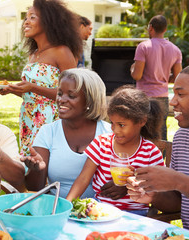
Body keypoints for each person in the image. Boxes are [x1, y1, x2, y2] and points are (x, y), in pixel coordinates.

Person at [0, 0, 82, 155]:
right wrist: (12, 90)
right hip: (28, 117)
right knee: (30, 163)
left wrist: (32, 87)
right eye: (26, 18)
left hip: (51, 119)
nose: (26, 22)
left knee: (45, 162)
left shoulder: (61, 52)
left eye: (32, 17)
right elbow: (33, 94)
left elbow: (73, 93)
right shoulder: (34, 54)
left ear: (48, 22)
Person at [66, 86, 164, 215]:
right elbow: (83, 178)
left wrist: (133, 182)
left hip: (136, 213)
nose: (115, 130)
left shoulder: (151, 153)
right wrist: (67, 205)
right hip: (101, 210)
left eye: (121, 125)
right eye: (112, 123)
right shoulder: (102, 143)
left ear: (141, 121)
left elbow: (159, 191)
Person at [21, 68, 111, 198]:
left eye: (71, 95)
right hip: (59, 209)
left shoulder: (109, 133)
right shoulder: (48, 132)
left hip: (101, 213)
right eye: (59, 93)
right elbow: (34, 187)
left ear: (90, 100)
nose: (61, 100)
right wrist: (37, 169)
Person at [127, 66, 189, 229]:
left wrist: (180, 181)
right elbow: (178, 203)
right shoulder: (182, 137)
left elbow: (181, 185)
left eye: (180, 94)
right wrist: (153, 195)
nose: (173, 101)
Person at [130, 15, 182, 140]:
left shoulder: (143, 47)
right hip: (162, 97)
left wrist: (132, 68)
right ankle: (160, 158)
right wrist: (163, 76)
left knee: (141, 130)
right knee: (160, 132)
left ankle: (141, 158)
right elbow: (177, 78)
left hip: (143, 96)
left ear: (151, 28)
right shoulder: (175, 50)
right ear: (165, 29)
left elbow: (137, 75)